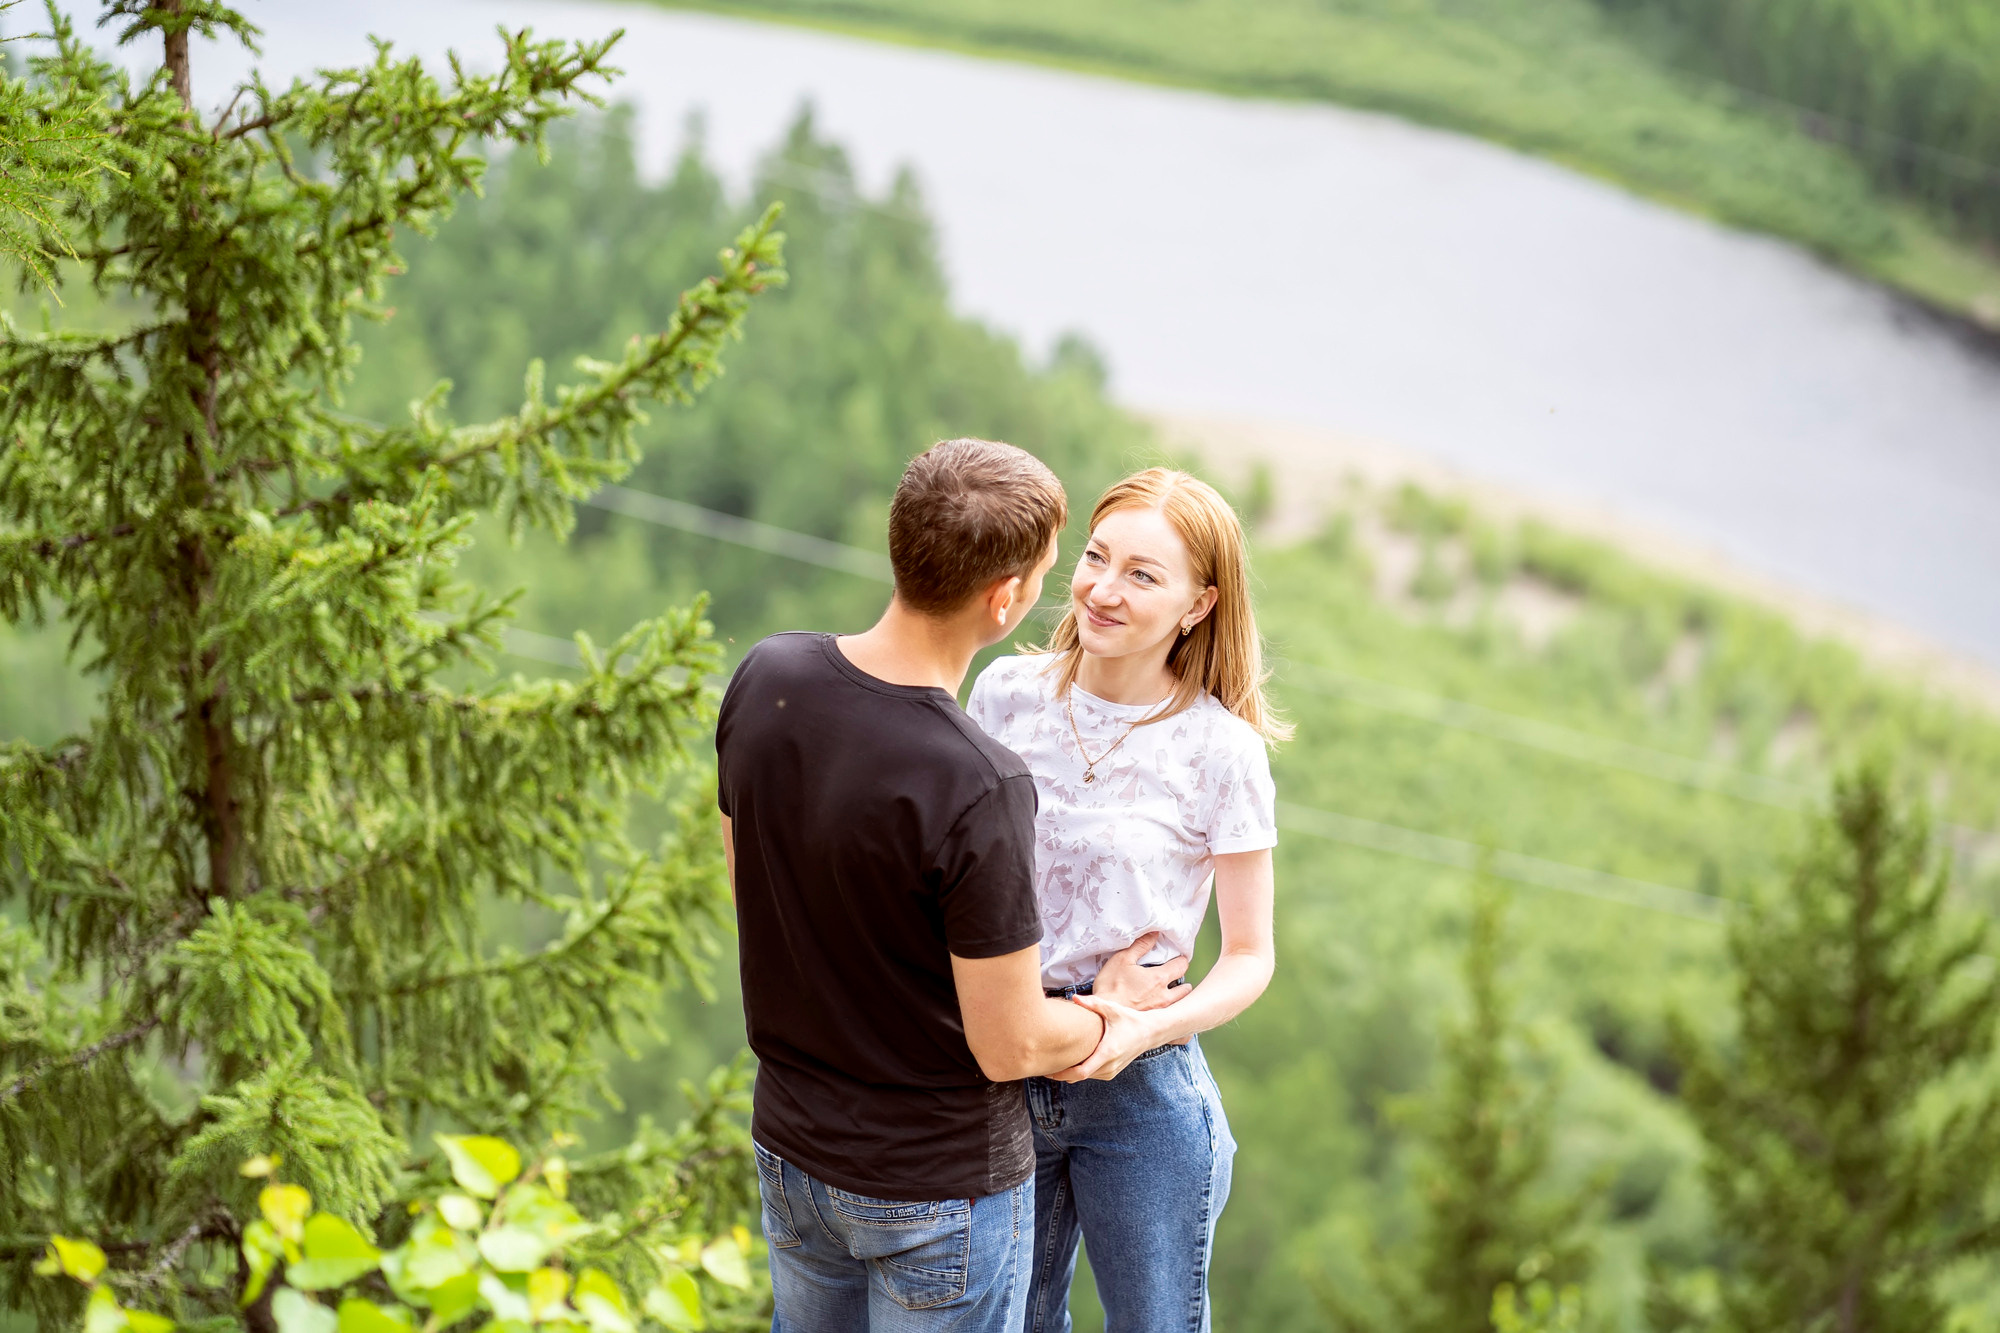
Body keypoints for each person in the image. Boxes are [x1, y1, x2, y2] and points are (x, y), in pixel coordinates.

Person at [716, 438, 1152, 1332]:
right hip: (935, 1193)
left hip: (793, 1153)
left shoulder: (768, 676)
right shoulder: (978, 781)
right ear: (1007, 599)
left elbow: (753, 888)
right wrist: (1114, 1012)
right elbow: (1011, 1042)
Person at [965, 468, 1287, 1333]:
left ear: (1198, 603)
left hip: (1142, 1089)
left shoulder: (1222, 750)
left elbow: (1251, 955)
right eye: (1098, 558)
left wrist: (1140, 1028)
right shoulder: (1004, 695)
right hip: (1004, 1059)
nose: (1104, 590)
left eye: (1143, 575)